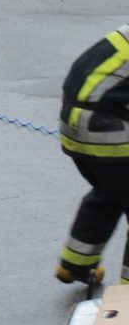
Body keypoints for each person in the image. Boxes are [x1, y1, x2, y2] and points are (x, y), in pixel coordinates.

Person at [55, 23, 129, 288]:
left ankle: (75, 265)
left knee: (109, 193)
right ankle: (126, 301)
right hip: (108, 130)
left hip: (76, 127)